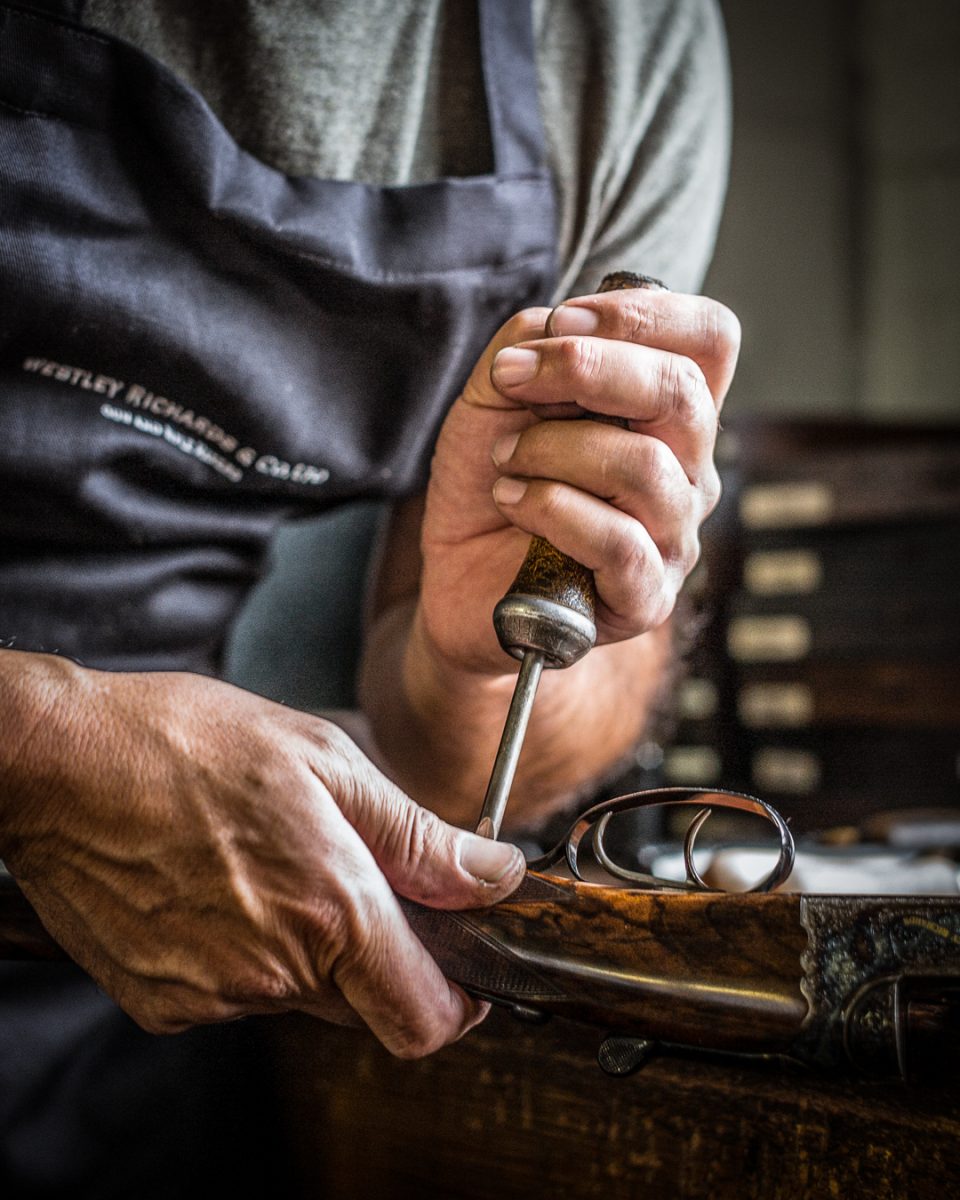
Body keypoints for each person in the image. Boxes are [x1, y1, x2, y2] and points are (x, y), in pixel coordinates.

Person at [0, 0, 737, 1193]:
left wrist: (468, 669)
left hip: (139, 999)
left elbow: (454, 757)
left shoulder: (619, 44)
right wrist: (35, 753)